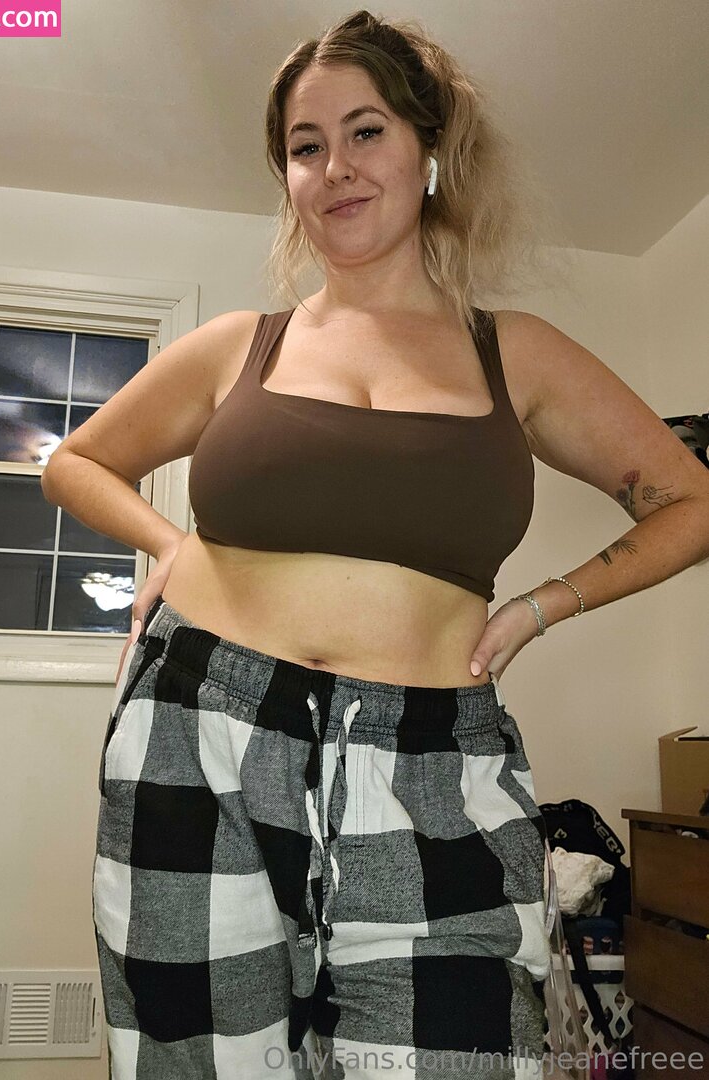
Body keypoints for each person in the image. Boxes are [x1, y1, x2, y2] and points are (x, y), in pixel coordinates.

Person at [41, 10, 709, 1079]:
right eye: (305, 147)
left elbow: (689, 500)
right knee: (199, 1058)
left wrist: (546, 604)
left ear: (428, 150)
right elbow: (73, 463)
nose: (335, 168)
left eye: (366, 132)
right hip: (198, 731)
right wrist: (170, 545)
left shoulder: (514, 353)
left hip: (433, 756)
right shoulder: (241, 348)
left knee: (462, 1050)